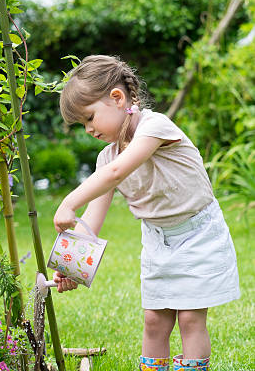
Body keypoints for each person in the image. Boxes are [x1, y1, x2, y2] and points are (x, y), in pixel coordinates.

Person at [52, 55, 240, 371]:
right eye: (82, 124)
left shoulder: (155, 127)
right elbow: (90, 222)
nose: (88, 129)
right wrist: (70, 266)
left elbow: (115, 174)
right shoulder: (107, 157)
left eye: (89, 118)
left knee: (191, 318)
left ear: (116, 98)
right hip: (157, 240)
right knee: (154, 320)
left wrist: (67, 201)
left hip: (198, 233)